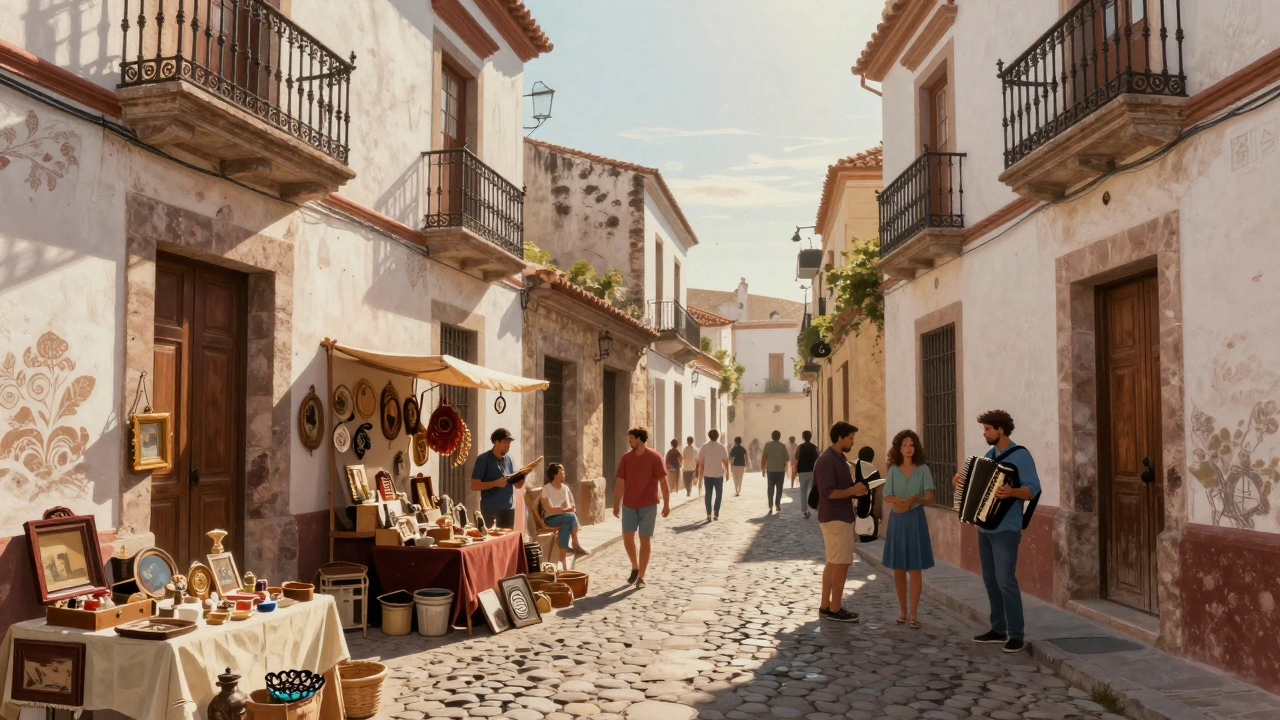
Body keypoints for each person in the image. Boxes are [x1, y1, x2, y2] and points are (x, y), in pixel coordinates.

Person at [959, 409, 1042, 654]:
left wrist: (1012, 492)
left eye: (987, 429)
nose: (984, 433)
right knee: (990, 580)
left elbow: (1033, 490)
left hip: (1007, 527)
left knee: (1006, 580)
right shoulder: (989, 455)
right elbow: (976, 485)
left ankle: (1016, 634)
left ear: (1000, 430)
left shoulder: (1021, 456)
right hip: (985, 527)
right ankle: (998, 628)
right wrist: (960, 483)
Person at [882, 430, 936, 629]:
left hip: (915, 520)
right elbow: (887, 494)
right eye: (904, 445)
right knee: (898, 567)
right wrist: (895, 499)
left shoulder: (923, 470)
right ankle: (902, 611)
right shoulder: (893, 470)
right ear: (899, 448)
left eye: (911, 444)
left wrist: (916, 499)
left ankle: (914, 613)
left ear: (916, 447)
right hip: (897, 520)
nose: (908, 448)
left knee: (915, 567)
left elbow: (930, 497)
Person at [814, 421, 867, 622]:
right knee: (841, 564)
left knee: (833, 562)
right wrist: (852, 491)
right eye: (850, 438)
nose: (852, 442)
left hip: (837, 516)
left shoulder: (838, 458)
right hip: (836, 518)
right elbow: (827, 493)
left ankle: (826, 605)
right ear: (840, 437)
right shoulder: (828, 460)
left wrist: (856, 489)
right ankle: (835, 608)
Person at [614, 426, 671, 589]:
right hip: (629, 504)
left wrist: (667, 504)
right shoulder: (626, 459)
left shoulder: (654, 457)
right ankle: (635, 566)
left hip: (648, 505)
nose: (629, 441)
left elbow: (663, 482)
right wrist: (616, 503)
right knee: (627, 537)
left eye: (631, 438)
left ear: (639, 438)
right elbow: (620, 482)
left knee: (644, 539)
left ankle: (641, 576)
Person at [470, 427, 522, 529]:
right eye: (505, 442)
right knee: (491, 540)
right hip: (490, 509)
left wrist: (521, 479)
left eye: (509, 443)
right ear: (496, 442)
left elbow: (516, 484)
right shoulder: (483, 459)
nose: (508, 445)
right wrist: (495, 483)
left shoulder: (510, 459)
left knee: (507, 542)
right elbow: (474, 485)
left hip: (508, 508)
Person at [540, 463, 589, 564]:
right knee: (570, 517)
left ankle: (563, 558)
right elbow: (548, 509)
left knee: (566, 525)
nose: (564, 474)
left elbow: (572, 503)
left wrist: (572, 508)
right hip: (551, 518)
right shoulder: (546, 489)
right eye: (562, 472)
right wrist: (565, 510)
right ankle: (575, 543)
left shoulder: (565, 488)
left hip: (566, 517)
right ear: (554, 474)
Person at [697, 429, 731, 522]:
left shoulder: (704, 447)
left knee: (708, 494)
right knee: (719, 494)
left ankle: (708, 513)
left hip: (707, 474)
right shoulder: (721, 447)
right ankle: (716, 512)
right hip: (718, 474)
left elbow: (701, 463)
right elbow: (725, 462)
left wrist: (699, 477)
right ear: (717, 436)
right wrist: (728, 473)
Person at [761, 430, 790, 514]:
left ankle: (770, 504)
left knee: (770, 488)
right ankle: (777, 504)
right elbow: (787, 458)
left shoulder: (767, 445)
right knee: (779, 488)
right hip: (780, 470)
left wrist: (763, 468)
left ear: (772, 436)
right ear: (779, 436)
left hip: (770, 470)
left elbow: (764, 457)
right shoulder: (782, 446)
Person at [795, 431, 820, 520]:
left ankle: (804, 510)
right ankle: (810, 509)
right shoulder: (814, 447)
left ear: (803, 437)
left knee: (803, 492)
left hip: (802, 471)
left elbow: (796, 457)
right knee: (810, 491)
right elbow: (818, 459)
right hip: (812, 472)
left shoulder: (800, 447)